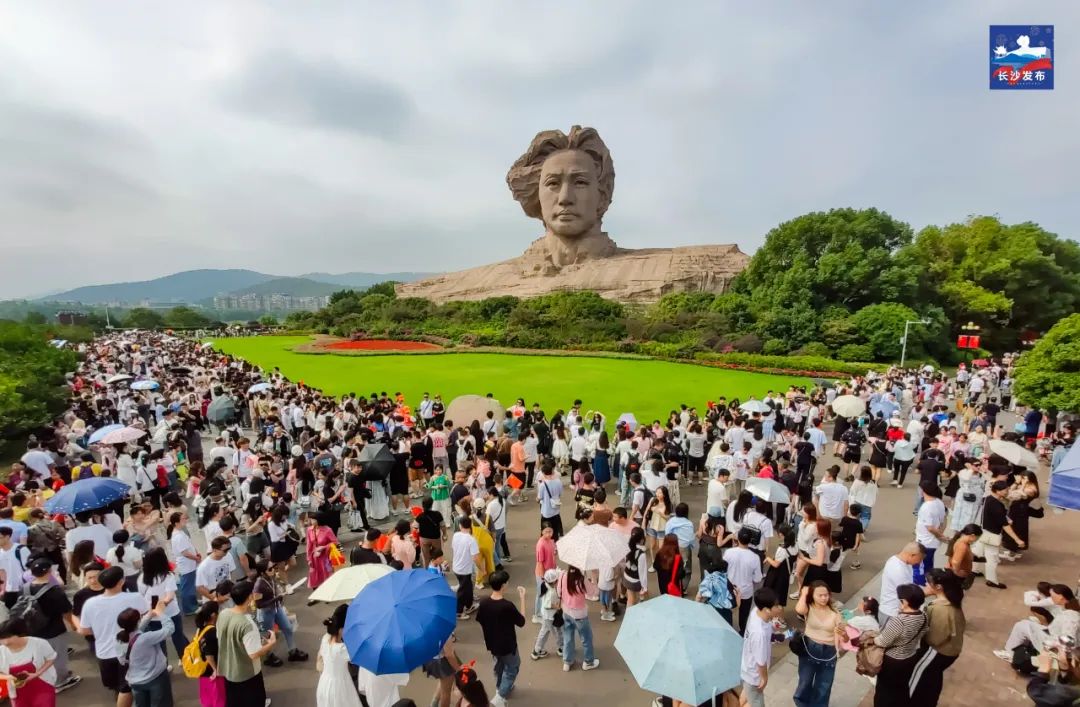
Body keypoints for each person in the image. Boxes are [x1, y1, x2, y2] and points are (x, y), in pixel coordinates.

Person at [77, 566, 149, 707]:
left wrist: (100, 631)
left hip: (104, 653)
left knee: (117, 686)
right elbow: (146, 615)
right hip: (130, 650)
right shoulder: (135, 597)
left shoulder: (90, 604)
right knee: (127, 687)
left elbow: (84, 630)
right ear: (121, 581)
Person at [909, 569, 965, 707]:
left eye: (928, 583)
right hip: (950, 650)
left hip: (937, 651)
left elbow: (934, 638)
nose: (926, 586)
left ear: (939, 587)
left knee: (918, 676)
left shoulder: (941, 609)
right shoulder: (952, 601)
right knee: (933, 677)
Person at [23, 558, 80, 693]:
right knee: (58, 657)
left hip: (32, 630)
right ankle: (60, 681)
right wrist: (73, 625)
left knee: (40, 656)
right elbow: (66, 612)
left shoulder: (24, 588)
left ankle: (45, 677)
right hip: (53, 631)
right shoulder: (55, 591)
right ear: (49, 571)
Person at [217, 579, 276, 707]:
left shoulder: (223, 614)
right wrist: (270, 643)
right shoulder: (247, 624)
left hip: (229, 670)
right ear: (250, 597)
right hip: (247, 674)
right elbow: (254, 654)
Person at [474, 570, 527, 706]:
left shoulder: (484, 603)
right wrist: (522, 598)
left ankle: (501, 686)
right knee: (512, 668)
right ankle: (500, 696)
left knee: (499, 666)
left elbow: (480, 620)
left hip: (492, 643)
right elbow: (521, 622)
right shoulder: (507, 606)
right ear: (503, 585)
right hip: (507, 645)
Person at [873, 584, 928, 707]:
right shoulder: (923, 616)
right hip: (910, 656)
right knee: (901, 688)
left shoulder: (899, 621)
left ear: (905, 602)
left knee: (884, 691)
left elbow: (882, 641)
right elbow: (923, 632)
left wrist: (873, 639)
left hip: (893, 661)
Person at [996, 584, 1080, 660]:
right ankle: (1016, 650)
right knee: (1025, 623)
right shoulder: (1069, 606)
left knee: (1021, 626)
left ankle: (1010, 653)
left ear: (1061, 598)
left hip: (1054, 645)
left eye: (1052, 596)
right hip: (1052, 635)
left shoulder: (1071, 617)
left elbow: (1069, 642)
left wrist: (1049, 645)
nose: (1050, 598)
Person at [793, 581, 843, 707]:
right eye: (819, 595)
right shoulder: (809, 607)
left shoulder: (835, 613)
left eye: (826, 595)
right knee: (805, 681)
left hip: (829, 650)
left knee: (824, 685)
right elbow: (799, 609)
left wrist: (838, 648)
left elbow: (839, 634)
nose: (823, 598)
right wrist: (804, 593)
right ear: (812, 595)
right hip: (810, 646)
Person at [135, 547, 190, 660]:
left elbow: (142, 597)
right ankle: (185, 659)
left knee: (159, 641)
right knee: (178, 636)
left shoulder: (142, 578)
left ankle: (163, 665)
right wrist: (162, 605)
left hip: (153, 615)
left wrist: (152, 609)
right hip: (171, 612)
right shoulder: (168, 576)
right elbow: (170, 596)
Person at [116, 604, 174, 707]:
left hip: (135, 681)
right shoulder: (146, 638)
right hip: (155, 678)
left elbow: (136, 631)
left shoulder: (119, 638)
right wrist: (161, 613)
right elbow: (169, 629)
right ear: (138, 620)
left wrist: (149, 615)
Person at [252, 559, 307, 665]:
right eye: (270, 569)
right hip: (265, 612)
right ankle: (269, 656)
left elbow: (274, 593)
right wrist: (276, 599)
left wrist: (278, 597)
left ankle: (292, 650)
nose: (274, 569)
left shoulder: (271, 578)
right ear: (262, 572)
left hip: (277, 608)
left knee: (288, 628)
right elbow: (258, 604)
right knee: (268, 635)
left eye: (274, 567)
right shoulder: (258, 585)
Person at [973, 480, 1025, 589]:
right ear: (997, 491)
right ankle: (991, 580)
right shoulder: (997, 505)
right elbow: (1005, 526)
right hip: (992, 535)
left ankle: (973, 570)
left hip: (983, 531)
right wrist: (1017, 540)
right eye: (1005, 490)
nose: (1007, 492)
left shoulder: (987, 498)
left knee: (977, 553)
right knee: (992, 558)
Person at [0, 617, 58, 707]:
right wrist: (8, 677)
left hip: (43, 686)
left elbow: (51, 658)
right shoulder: (1, 651)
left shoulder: (39, 643)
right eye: (1, 638)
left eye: (7, 637)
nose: (4, 641)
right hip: (18, 693)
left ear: (19, 634)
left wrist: (37, 673)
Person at [740, 588, 782, 707]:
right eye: (776, 606)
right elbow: (760, 662)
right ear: (767, 610)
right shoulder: (759, 634)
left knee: (747, 697)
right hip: (754, 676)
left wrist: (773, 629)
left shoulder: (755, 611)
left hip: (747, 666)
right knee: (757, 703)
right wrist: (764, 678)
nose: (779, 608)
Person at [316, 604, 361, 707]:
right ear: (341, 629)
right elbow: (358, 655)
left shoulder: (325, 638)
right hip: (340, 688)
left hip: (325, 683)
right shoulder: (341, 649)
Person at [558, 565, 599, 672]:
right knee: (586, 638)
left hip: (566, 612)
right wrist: (594, 577)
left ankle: (567, 662)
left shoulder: (562, 575)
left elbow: (559, 593)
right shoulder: (582, 580)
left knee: (568, 637)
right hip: (580, 615)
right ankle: (588, 662)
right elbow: (594, 593)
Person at [726, 528, 763, 634]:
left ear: (738, 538)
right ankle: (742, 632)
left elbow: (724, 569)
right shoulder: (755, 557)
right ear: (750, 540)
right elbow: (757, 578)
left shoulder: (729, 552)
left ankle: (728, 629)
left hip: (730, 588)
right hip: (746, 591)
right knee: (744, 614)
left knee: (728, 610)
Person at [879, 543, 923, 627]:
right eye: (920, 559)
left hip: (896, 611)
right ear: (912, 555)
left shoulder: (903, 562)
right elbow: (910, 594)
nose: (919, 562)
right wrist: (929, 591)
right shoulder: (897, 569)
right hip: (891, 614)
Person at [913, 484, 947, 585]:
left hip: (925, 541)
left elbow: (930, 527)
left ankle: (920, 585)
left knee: (918, 565)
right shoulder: (939, 502)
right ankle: (929, 582)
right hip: (932, 542)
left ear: (924, 492)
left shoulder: (926, 507)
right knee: (928, 564)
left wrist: (940, 536)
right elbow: (944, 520)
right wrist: (941, 534)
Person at [167, 511, 200, 615]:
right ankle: (189, 608)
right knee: (187, 588)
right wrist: (196, 558)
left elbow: (188, 547)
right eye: (183, 519)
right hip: (186, 565)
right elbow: (185, 553)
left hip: (189, 564)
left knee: (190, 586)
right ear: (176, 523)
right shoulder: (178, 536)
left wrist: (196, 553)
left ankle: (193, 602)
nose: (186, 520)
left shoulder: (180, 532)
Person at [193, 602, 226, 707]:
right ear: (213, 615)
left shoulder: (200, 629)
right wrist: (216, 670)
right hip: (212, 673)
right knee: (218, 700)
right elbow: (209, 654)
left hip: (203, 671)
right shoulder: (212, 632)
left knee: (208, 701)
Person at [453, 517, 482, 619]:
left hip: (456, 567)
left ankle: (469, 605)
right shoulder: (471, 540)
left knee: (468, 588)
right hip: (465, 570)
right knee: (463, 591)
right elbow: (476, 558)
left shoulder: (456, 535)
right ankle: (458, 612)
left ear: (460, 525)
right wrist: (481, 569)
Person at [696, 558, 736, 625]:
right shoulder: (727, 583)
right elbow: (734, 604)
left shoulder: (708, 580)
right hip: (724, 613)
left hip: (710, 610)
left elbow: (698, 597)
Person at [306, 512, 337, 590]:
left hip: (326, 557)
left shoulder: (327, 530)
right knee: (314, 575)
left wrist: (324, 547)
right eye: (311, 519)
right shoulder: (310, 530)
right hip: (314, 557)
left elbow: (335, 542)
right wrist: (309, 559)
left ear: (319, 520)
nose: (311, 521)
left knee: (327, 574)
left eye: (313, 519)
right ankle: (315, 594)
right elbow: (309, 545)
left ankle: (328, 592)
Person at [622, 526, 649, 608]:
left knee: (630, 599)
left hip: (626, 577)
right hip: (635, 581)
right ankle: (631, 616)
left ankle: (629, 614)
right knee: (634, 600)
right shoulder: (641, 554)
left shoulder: (627, 546)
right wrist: (644, 587)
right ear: (642, 539)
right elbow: (642, 573)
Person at [537, 465, 564, 540]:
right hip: (556, 510)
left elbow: (539, 498)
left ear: (543, 473)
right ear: (552, 471)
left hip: (546, 511)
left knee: (546, 531)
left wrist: (537, 500)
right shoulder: (558, 481)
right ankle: (554, 546)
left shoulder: (543, 485)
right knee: (555, 530)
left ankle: (546, 546)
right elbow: (561, 494)